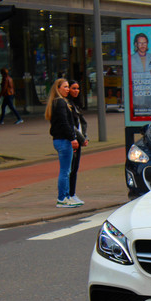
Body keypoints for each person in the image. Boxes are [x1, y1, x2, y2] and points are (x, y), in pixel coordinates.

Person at [44, 78, 81, 208]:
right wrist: (73, 138)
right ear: (58, 88)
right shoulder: (60, 103)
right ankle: (62, 198)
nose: (67, 89)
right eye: (65, 87)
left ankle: (66, 196)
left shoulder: (58, 102)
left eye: (67, 86)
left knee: (67, 170)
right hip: (63, 140)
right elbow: (65, 123)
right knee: (65, 171)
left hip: (60, 139)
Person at [67, 80, 88, 206]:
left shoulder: (75, 105)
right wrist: (81, 138)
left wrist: (85, 137)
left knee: (74, 169)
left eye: (78, 88)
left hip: (78, 139)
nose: (76, 91)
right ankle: (69, 194)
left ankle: (72, 193)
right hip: (73, 140)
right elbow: (71, 125)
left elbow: (81, 123)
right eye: (73, 88)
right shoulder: (67, 105)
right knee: (70, 169)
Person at [130, 33, 151, 115]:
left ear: (147, 44)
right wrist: (149, 73)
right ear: (136, 44)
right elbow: (132, 78)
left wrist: (140, 75)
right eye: (140, 43)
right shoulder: (131, 59)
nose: (142, 45)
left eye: (144, 43)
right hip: (139, 97)